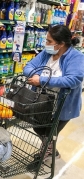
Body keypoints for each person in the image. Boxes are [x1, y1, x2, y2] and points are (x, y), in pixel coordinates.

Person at [23, 25, 84, 161]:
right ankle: (52, 150)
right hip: (42, 101)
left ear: (61, 44)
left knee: (50, 132)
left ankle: (45, 153)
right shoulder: (47, 53)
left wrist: (42, 80)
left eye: (49, 41)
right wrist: (38, 76)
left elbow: (73, 79)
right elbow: (28, 67)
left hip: (63, 105)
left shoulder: (76, 57)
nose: (46, 44)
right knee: (38, 128)